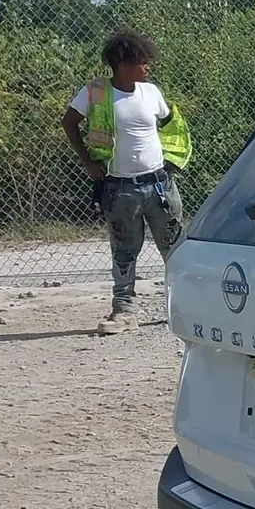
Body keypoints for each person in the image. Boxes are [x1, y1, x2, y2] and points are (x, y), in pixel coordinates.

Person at [62, 30, 193, 334]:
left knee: (174, 247)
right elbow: (69, 122)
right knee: (124, 250)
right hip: (120, 188)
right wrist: (88, 162)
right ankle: (123, 311)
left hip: (160, 185)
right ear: (122, 64)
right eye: (142, 61)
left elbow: (170, 125)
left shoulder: (151, 92)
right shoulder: (95, 93)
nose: (148, 66)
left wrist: (171, 160)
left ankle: (185, 307)